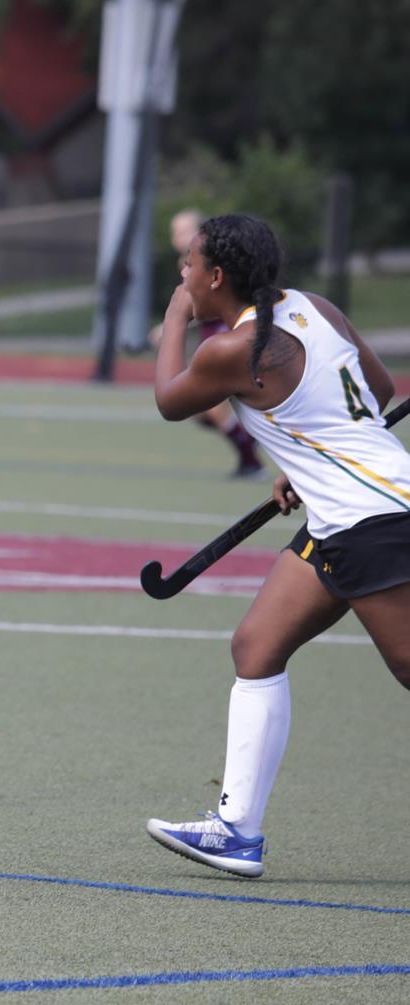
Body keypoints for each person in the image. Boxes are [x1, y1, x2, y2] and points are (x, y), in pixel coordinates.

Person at [146, 213, 410, 878]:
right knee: (256, 645)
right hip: (349, 507)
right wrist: (304, 452)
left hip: (370, 518)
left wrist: (175, 314)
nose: (183, 275)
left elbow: (170, 400)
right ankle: (236, 831)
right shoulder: (315, 308)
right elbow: (377, 395)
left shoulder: (230, 349)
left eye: (189, 267)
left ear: (216, 277)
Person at [149, 209, 263, 477]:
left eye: (183, 231)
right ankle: (247, 440)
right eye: (174, 231)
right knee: (203, 412)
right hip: (210, 335)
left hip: (222, 334)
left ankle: (250, 457)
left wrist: (171, 326)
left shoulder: (207, 264)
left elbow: (208, 305)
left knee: (208, 404)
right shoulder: (187, 263)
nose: (176, 237)